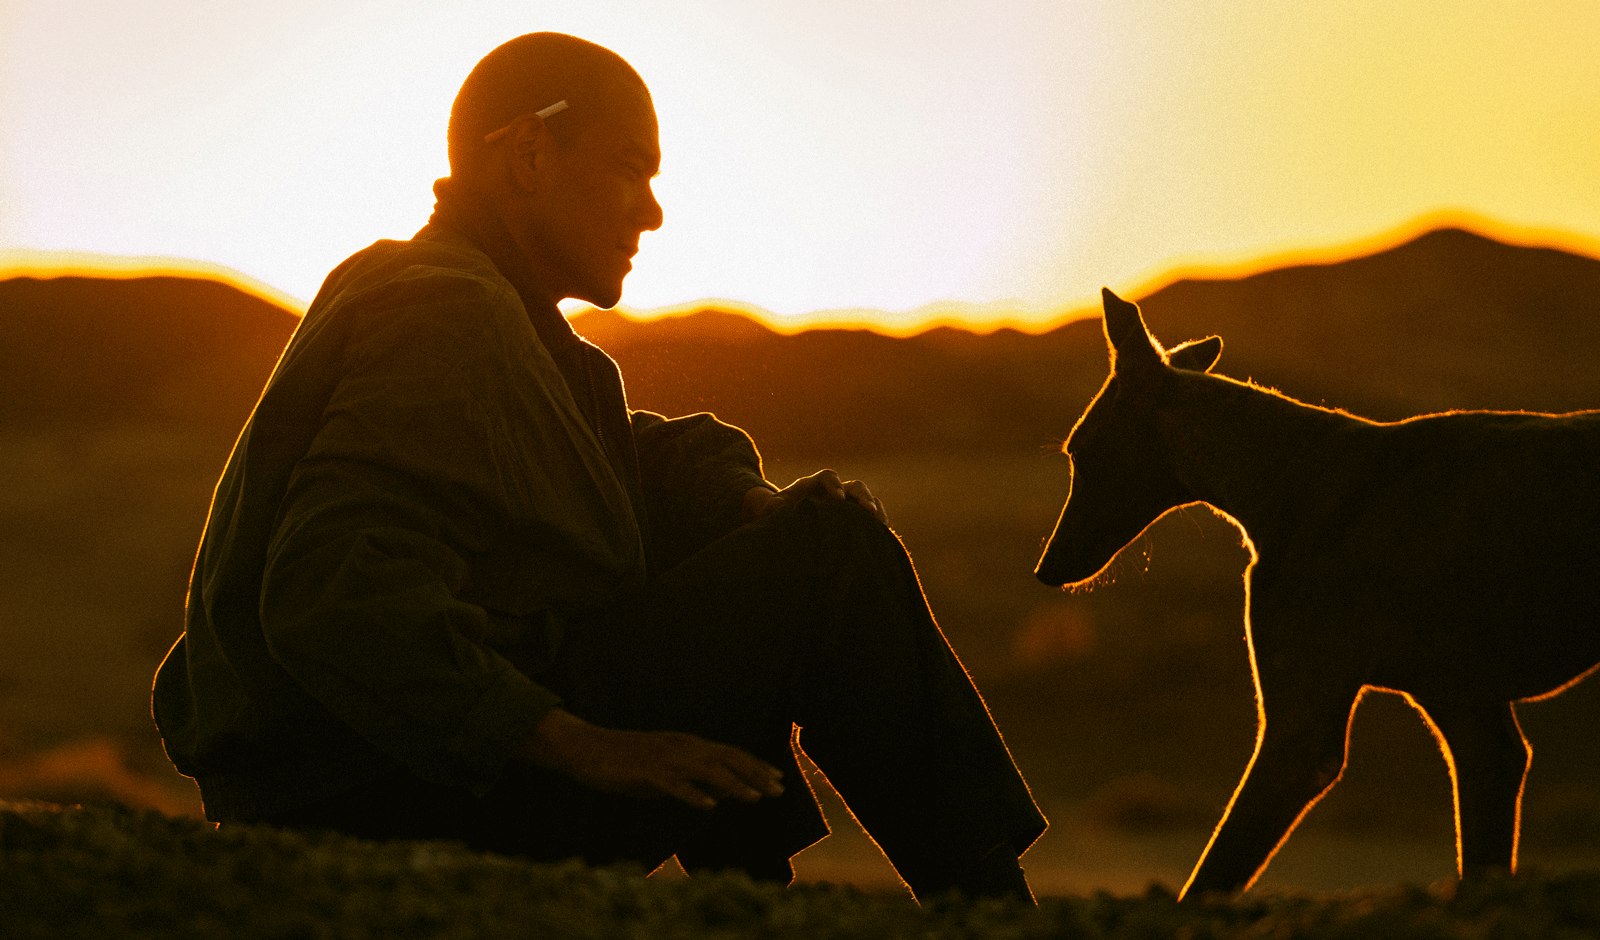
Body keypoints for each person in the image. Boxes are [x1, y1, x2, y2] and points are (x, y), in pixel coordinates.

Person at [152, 31, 1045, 901]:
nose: (652, 210)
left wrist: (742, 500)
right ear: (530, 153)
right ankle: (989, 909)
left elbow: (622, 458)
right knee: (832, 558)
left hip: (383, 779)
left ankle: (746, 899)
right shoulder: (446, 312)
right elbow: (328, 591)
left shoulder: (494, 315)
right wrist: (586, 746)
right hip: (382, 798)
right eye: (630, 168)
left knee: (776, 544)